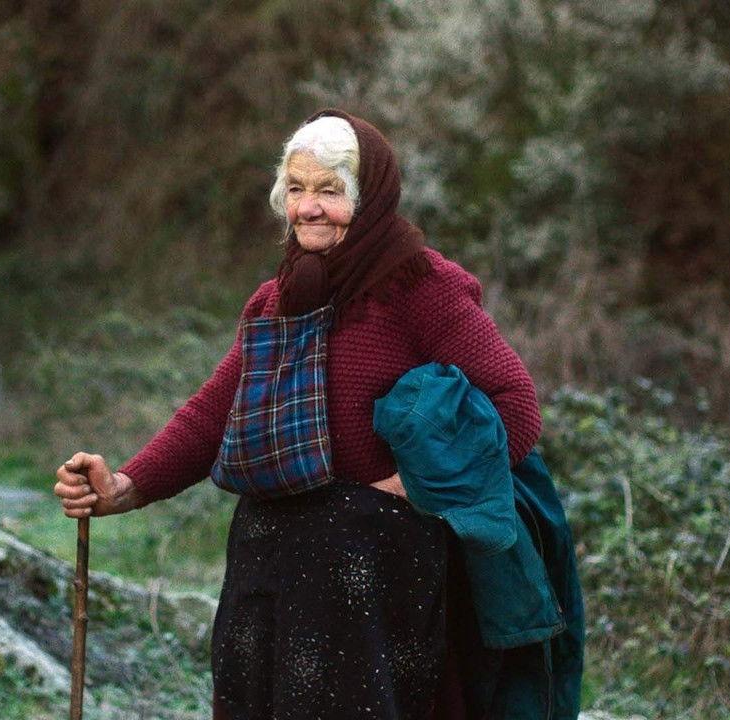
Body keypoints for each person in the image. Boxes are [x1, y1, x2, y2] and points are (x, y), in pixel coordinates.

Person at [54, 109, 542, 719]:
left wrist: (411, 487)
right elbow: (213, 414)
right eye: (296, 188)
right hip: (269, 555)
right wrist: (125, 486)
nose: (308, 208)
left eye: (330, 191)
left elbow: (515, 407)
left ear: (369, 199)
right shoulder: (277, 299)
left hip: (374, 561)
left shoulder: (420, 287)